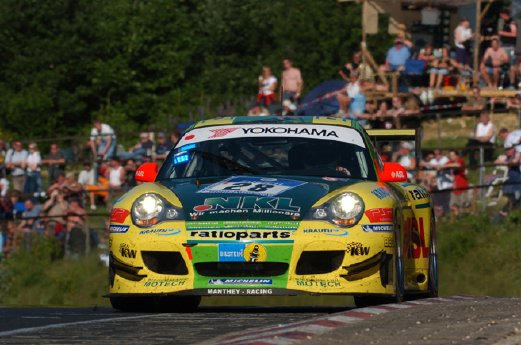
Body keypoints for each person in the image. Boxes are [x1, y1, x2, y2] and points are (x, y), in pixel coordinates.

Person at [444, 150, 469, 217]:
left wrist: (445, 166)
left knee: (463, 205)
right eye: (450, 156)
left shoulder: (460, 160)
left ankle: (463, 218)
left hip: (462, 186)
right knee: (453, 205)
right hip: (454, 188)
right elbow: (442, 166)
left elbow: (457, 165)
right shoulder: (450, 162)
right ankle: (457, 218)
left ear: (457, 155)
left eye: (453, 155)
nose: (452, 157)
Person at [498, 9, 517, 87]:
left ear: (504, 14)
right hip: (503, 46)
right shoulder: (504, 22)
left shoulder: (511, 22)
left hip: (510, 47)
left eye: (501, 15)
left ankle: (512, 83)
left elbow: (514, 34)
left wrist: (503, 33)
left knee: (512, 65)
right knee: (503, 65)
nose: (501, 17)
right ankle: (504, 83)